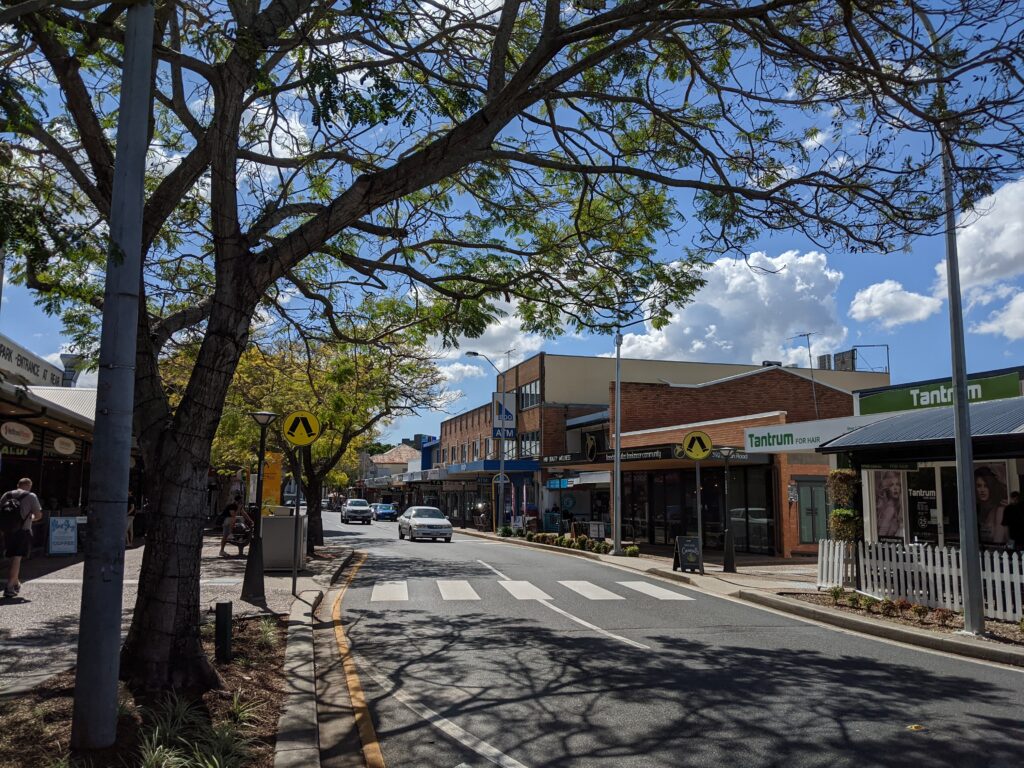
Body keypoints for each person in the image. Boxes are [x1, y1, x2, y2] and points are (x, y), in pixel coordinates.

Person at [1, 478, 44, 599]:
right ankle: (9, 587)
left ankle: (16, 582)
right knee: (17, 558)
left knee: (12, 556)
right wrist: (31, 518)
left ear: (18, 485)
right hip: (22, 531)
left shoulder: (7, 494)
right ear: (29, 485)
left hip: (7, 531)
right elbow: (39, 515)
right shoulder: (31, 496)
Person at [975, 466, 1009, 546]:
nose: (982, 490)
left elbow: (998, 542)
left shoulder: (1000, 511)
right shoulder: (976, 509)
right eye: (979, 486)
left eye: (986, 486)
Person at [875, 470, 903, 539]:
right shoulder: (890, 509)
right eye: (891, 485)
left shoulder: (897, 506)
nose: (895, 488)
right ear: (887, 488)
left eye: (898, 484)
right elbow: (882, 534)